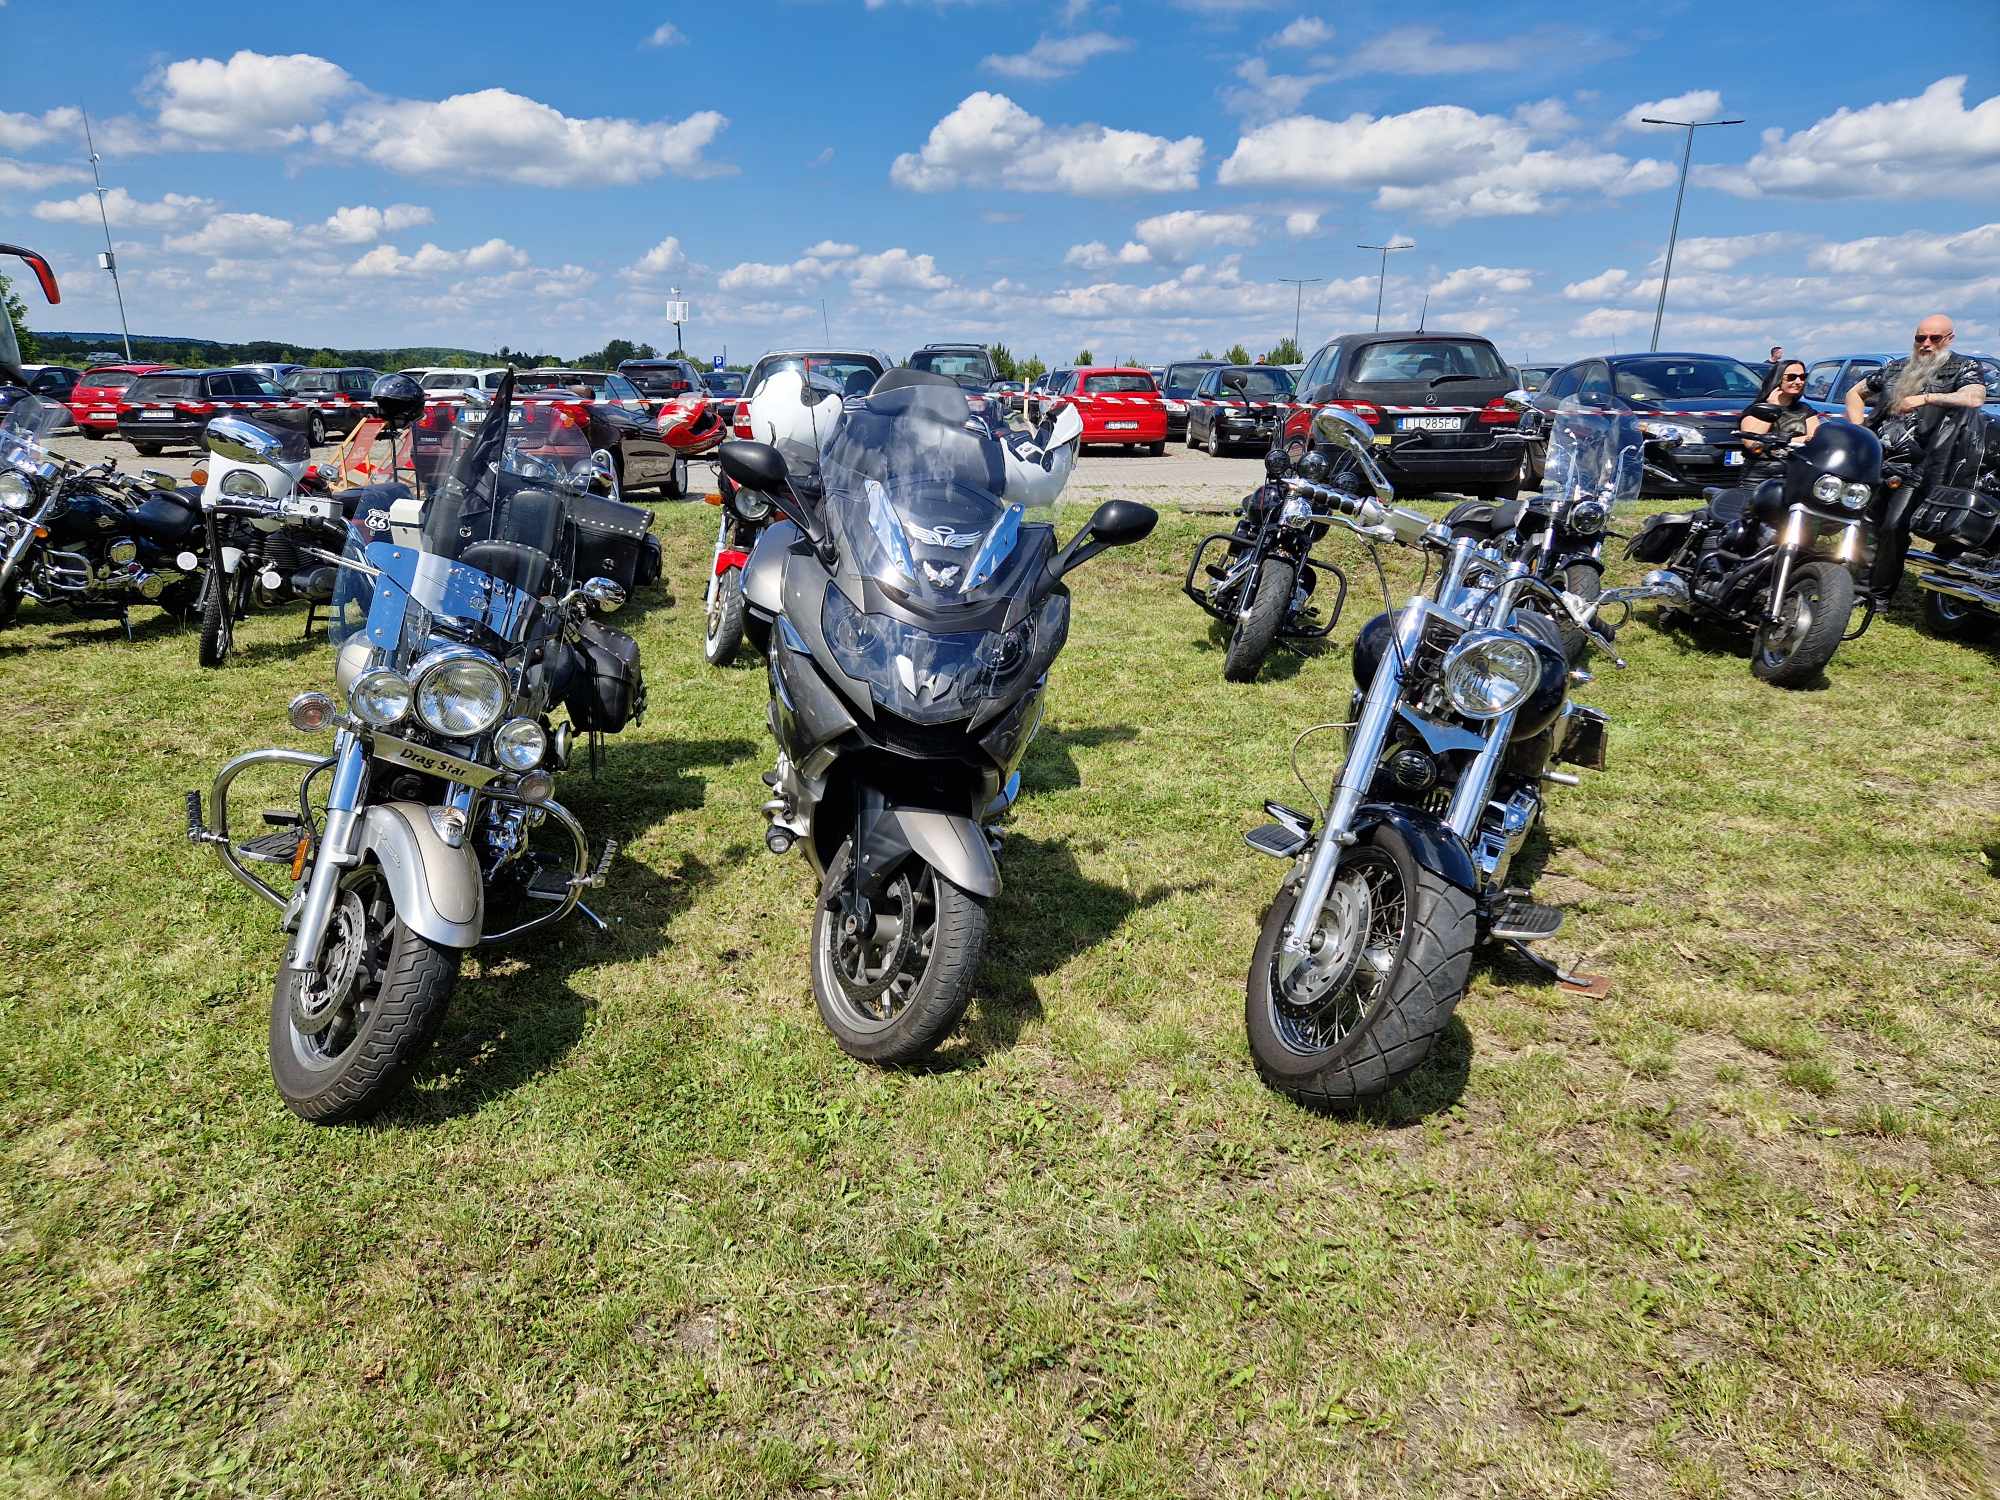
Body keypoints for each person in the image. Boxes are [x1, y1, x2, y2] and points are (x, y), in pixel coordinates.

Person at [1844, 315, 1987, 435]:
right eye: (1920, 338)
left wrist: (1926, 399)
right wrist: (1860, 430)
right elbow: (1854, 393)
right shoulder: (1895, 367)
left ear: (1949, 339)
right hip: (1883, 451)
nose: (1926, 343)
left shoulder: (1965, 366)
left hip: (1931, 452)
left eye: (1935, 338)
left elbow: (1974, 398)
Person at [1738, 359, 1819, 479]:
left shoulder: (1805, 410)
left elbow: (1815, 439)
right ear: (1778, 378)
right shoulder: (1756, 410)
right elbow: (1753, 444)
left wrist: (1778, 440)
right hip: (1760, 474)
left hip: (1796, 472)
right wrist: (1772, 408)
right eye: (1792, 377)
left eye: (1803, 377)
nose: (1798, 381)